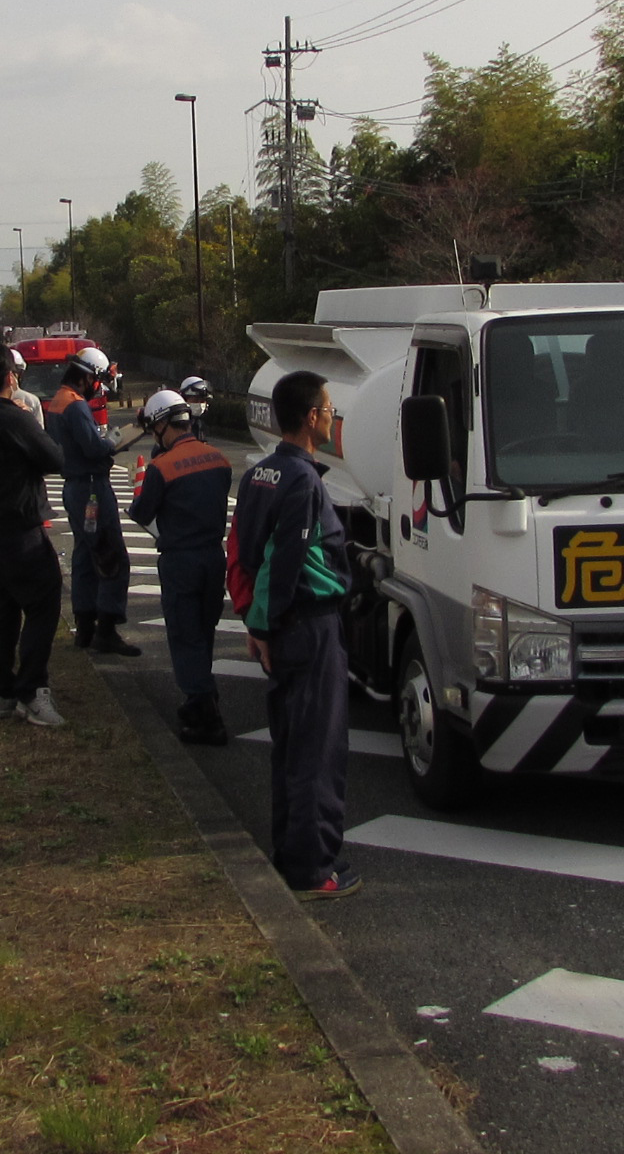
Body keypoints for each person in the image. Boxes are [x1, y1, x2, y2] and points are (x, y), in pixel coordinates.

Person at [230, 370, 359, 899]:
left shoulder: (260, 475)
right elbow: (282, 564)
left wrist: (257, 626)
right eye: (329, 409)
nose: (332, 417)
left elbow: (246, 554)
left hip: (281, 629)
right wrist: (269, 622)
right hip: (308, 625)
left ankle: (290, 854)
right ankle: (313, 870)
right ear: (311, 418)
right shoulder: (305, 481)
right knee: (317, 752)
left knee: (290, 749)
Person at [0, 343, 68, 728]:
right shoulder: (14, 418)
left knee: (3, 610)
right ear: (9, 377)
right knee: (44, 603)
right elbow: (54, 458)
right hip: (21, 532)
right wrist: (29, 424)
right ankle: (32, 691)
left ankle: (0, 693)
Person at [126, 388, 234, 745]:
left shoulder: (161, 467)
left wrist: (133, 500)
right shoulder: (219, 459)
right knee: (204, 632)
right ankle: (206, 692)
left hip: (181, 561)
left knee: (184, 634)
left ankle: (204, 712)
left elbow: (143, 513)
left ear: (160, 425)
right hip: (213, 559)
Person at [44, 346, 138, 657]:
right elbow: (93, 448)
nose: (99, 388)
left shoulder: (58, 401)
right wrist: (114, 440)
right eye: (97, 382)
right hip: (91, 488)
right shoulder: (76, 405)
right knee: (111, 556)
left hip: (73, 487)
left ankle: (84, 629)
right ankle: (107, 630)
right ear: (88, 379)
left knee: (85, 556)